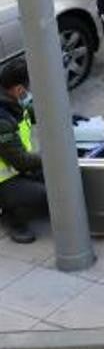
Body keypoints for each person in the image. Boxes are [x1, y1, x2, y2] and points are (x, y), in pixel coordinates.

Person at [0, 60, 46, 243]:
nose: (29, 91)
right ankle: (13, 218)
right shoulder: (2, 119)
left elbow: (31, 113)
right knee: (44, 193)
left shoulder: (10, 102)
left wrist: (64, 116)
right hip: (5, 180)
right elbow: (20, 161)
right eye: (28, 86)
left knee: (57, 179)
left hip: (16, 171)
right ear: (19, 88)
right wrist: (51, 159)